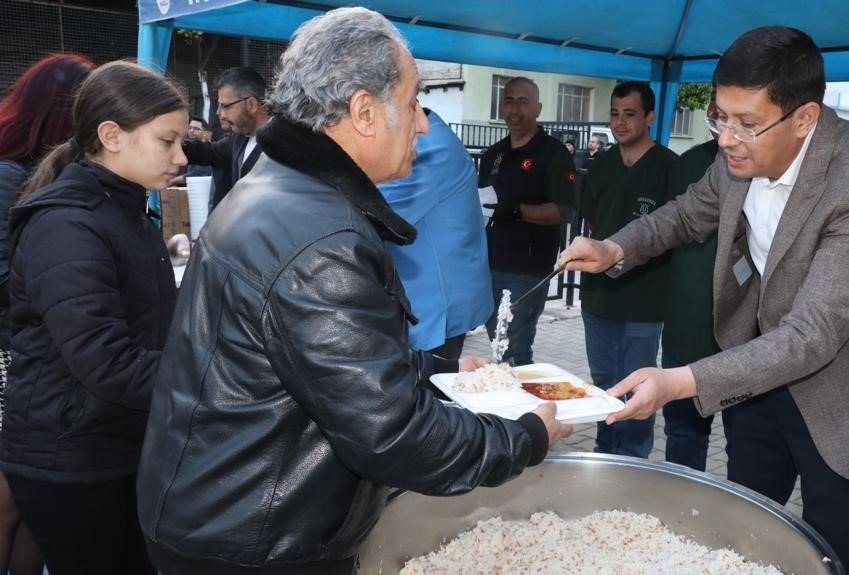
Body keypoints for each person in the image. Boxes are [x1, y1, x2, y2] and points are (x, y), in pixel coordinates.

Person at [136, 8, 571, 574]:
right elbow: (392, 436)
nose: (421, 124)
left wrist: (419, 370)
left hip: (218, 505)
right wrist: (525, 437)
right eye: (415, 103)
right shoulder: (321, 238)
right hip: (254, 537)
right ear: (364, 112)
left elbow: (313, 362)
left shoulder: (281, 184)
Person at [560, 26, 849, 573]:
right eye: (719, 118)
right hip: (760, 369)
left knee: (822, 550)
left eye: (746, 124)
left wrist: (681, 381)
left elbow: (813, 334)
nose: (727, 138)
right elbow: (686, 214)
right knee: (744, 527)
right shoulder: (738, 158)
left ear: (804, 118)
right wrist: (614, 248)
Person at [0, 60, 185, 575]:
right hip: (71, 454)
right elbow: (106, 360)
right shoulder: (68, 223)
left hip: (112, 442)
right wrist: (212, 378)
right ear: (112, 136)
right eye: (167, 141)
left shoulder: (124, 209)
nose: (181, 156)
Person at [0, 51, 93, 575]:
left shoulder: (46, 175)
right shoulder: (9, 178)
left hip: (29, 358)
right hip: (9, 359)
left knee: (34, 507)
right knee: (13, 498)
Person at [578, 81, 678, 458]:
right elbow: (592, 219)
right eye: (615, 114)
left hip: (645, 301)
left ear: (650, 116)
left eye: (630, 114)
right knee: (605, 387)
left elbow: (675, 232)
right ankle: (605, 459)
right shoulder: (601, 164)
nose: (620, 123)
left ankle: (634, 463)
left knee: (637, 389)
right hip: (598, 298)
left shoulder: (670, 168)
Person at [377, 108, 492, 360]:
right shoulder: (423, 137)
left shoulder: (428, 149)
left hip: (433, 308)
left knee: (425, 392)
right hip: (428, 301)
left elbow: (375, 217)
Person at [479, 76, 576, 366]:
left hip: (526, 270)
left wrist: (518, 210)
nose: (514, 109)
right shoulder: (493, 154)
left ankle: (520, 411)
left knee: (513, 350)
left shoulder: (553, 154)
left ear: (538, 108)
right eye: (508, 100)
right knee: (498, 343)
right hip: (489, 264)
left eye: (523, 101)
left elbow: (565, 211)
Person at [660, 110, 724, 471]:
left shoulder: (770, 167)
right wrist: (614, 249)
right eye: (718, 109)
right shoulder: (689, 164)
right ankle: (680, 507)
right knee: (684, 433)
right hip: (686, 326)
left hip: (744, 337)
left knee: (747, 443)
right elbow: (668, 223)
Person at [182, 66, 271, 211]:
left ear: (251, 104)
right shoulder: (239, 139)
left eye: (225, 106)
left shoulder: (285, 142)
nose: (219, 114)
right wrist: (169, 143)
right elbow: (208, 152)